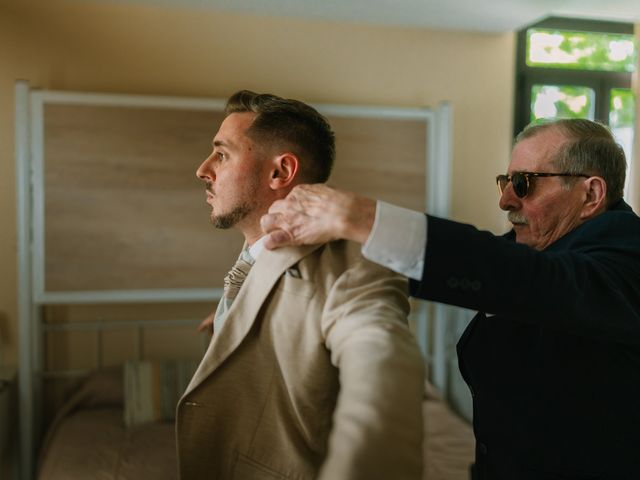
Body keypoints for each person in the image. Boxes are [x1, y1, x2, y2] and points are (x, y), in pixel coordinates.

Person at [261, 118, 640, 480]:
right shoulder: (540, 246)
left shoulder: (626, 260)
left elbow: (512, 275)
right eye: (506, 182)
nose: (506, 201)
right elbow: (463, 264)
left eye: (524, 184)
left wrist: (357, 216)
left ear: (590, 194)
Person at [176, 90, 425, 480]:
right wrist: (230, 319)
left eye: (222, 154)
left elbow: (381, 371)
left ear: (280, 173)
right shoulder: (256, 254)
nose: (203, 169)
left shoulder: (355, 268)